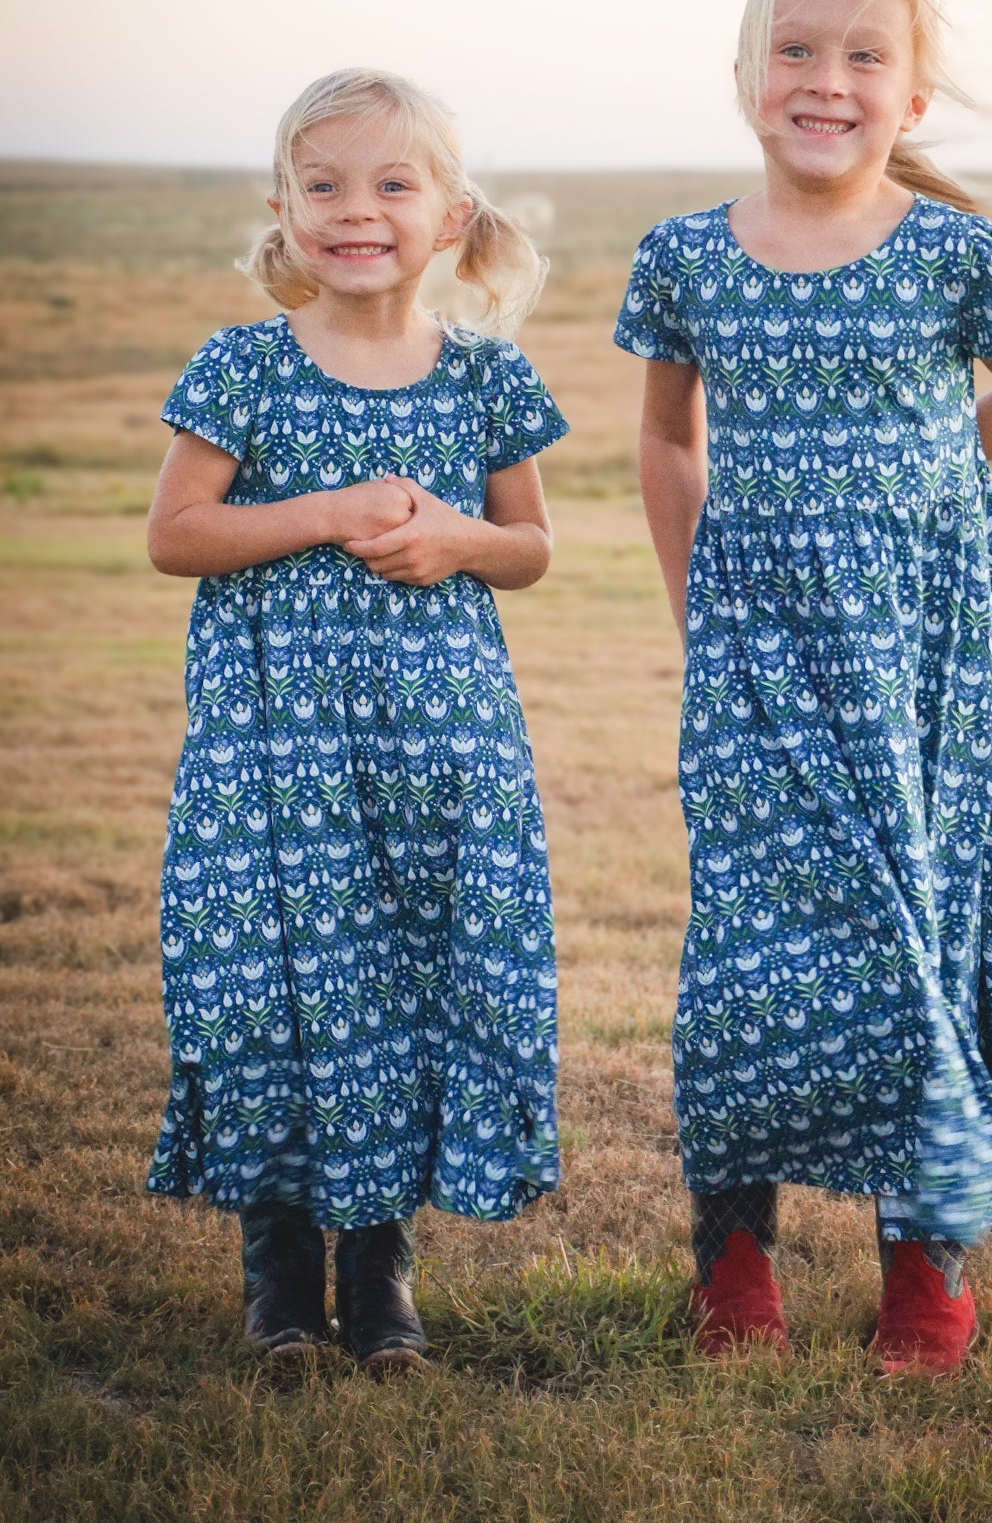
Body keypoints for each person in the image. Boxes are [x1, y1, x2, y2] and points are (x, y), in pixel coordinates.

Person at [614, 0, 992, 1374]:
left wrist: (915, 492)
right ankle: (731, 1253)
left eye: (862, 54)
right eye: (794, 46)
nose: (823, 77)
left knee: (921, 933)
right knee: (747, 946)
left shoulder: (954, 255)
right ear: (743, 74)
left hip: (926, 667)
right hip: (756, 661)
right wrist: (695, 602)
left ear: (908, 99)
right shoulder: (685, 260)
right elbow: (663, 435)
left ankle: (927, 1257)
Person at [146, 69, 567, 1371]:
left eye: (392, 184)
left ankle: (381, 1289)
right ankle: (280, 1294)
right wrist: (328, 511)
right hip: (272, 757)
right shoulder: (242, 366)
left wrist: (456, 537)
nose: (356, 210)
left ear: (449, 217)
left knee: (400, 989)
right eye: (323, 185)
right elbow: (176, 535)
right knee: (270, 989)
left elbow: (533, 546)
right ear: (284, 208)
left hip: (435, 753)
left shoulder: (486, 379)